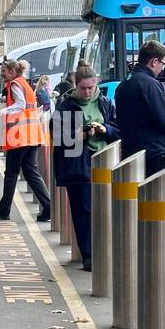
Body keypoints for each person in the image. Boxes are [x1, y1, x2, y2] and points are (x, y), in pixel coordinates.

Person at [51, 64, 118, 272]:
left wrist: (104, 128)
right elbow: (56, 136)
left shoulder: (105, 103)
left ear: (96, 84)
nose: (87, 92)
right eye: (83, 88)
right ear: (76, 86)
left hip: (104, 160)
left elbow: (118, 129)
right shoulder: (65, 106)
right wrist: (77, 136)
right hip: (78, 163)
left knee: (105, 208)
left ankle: (106, 249)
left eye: (90, 87)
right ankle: (88, 254)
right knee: (83, 209)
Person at [0, 58, 51, 222]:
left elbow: (20, 105)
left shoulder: (15, 84)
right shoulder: (24, 83)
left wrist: (3, 112)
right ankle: (48, 206)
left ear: (12, 71)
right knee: (31, 172)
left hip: (20, 135)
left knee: (11, 173)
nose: (2, 74)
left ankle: (4, 209)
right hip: (32, 133)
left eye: (4, 71)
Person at [113, 39, 165, 176]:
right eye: (163, 64)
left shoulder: (123, 85)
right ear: (154, 62)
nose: (162, 68)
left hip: (130, 152)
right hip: (155, 154)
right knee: (162, 195)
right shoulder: (151, 84)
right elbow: (164, 121)